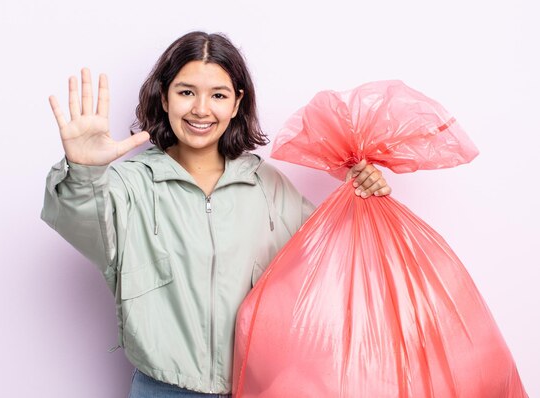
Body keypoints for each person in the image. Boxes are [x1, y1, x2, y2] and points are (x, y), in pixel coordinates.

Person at [41, 31, 391, 397]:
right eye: (186, 92)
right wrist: (83, 171)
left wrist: (361, 197)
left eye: (218, 95)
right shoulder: (129, 185)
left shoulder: (267, 185)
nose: (201, 109)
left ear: (237, 102)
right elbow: (80, 222)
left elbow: (327, 262)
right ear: (164, 96)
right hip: (163, 389)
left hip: (256, 387)